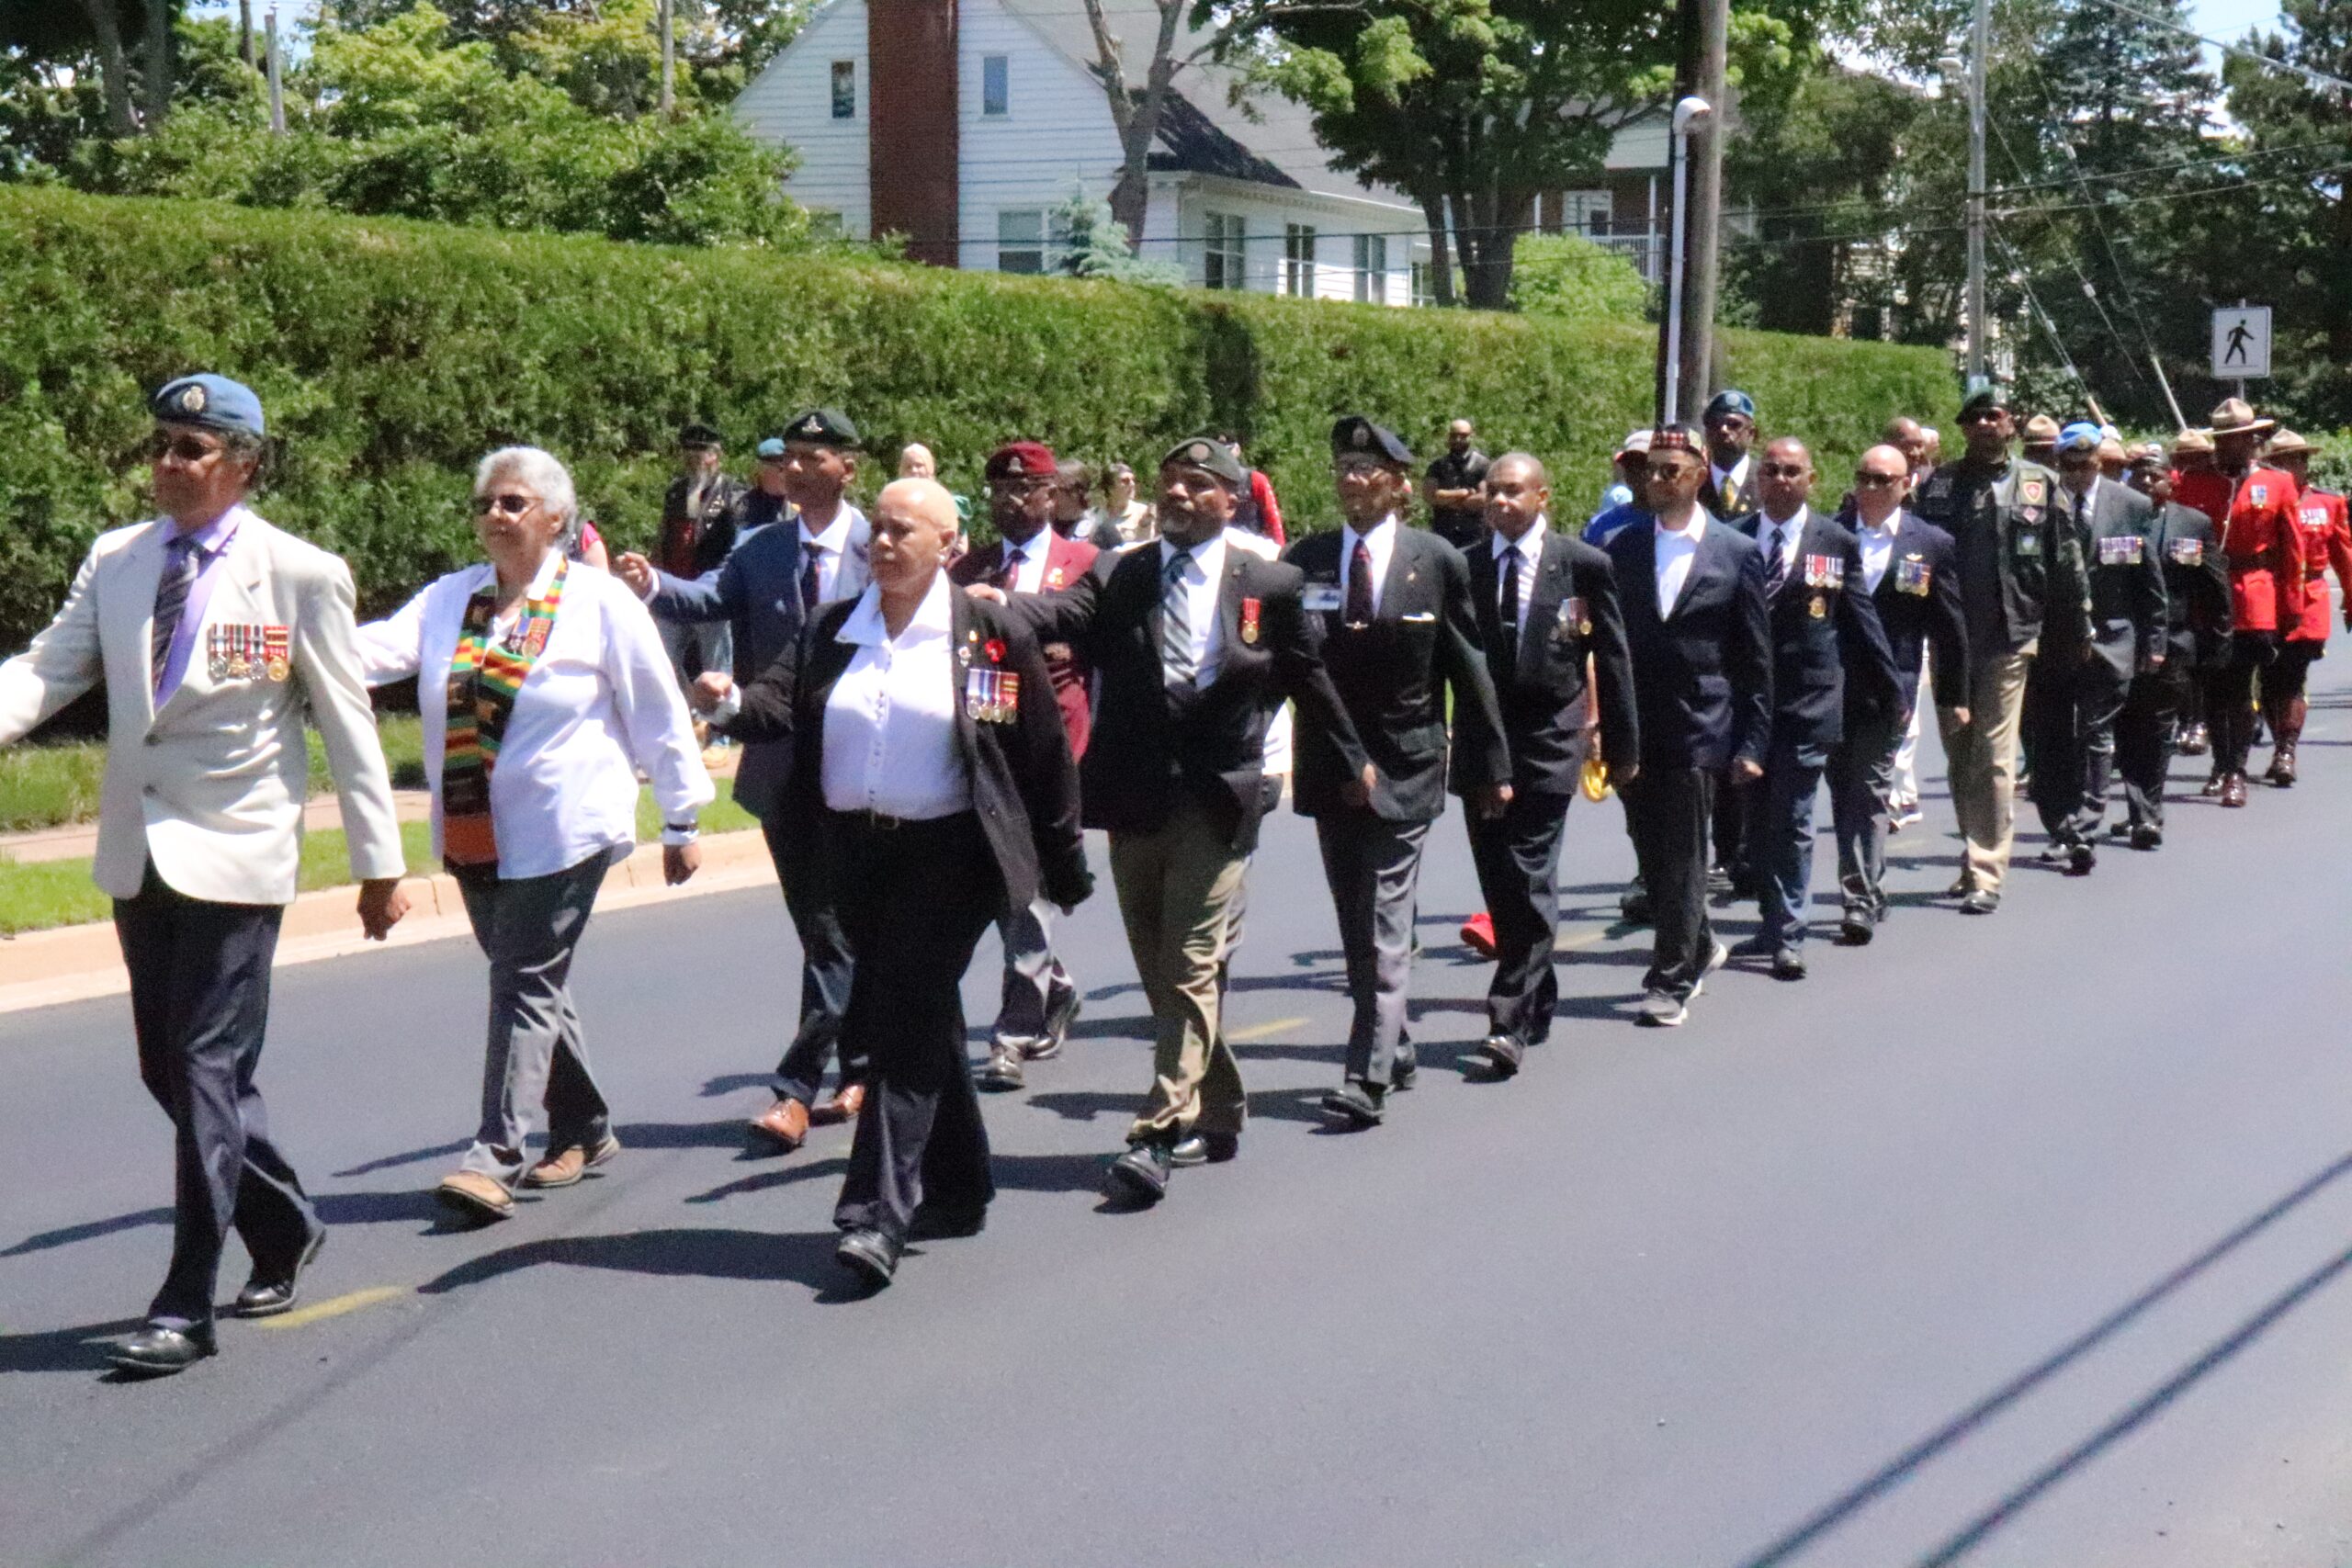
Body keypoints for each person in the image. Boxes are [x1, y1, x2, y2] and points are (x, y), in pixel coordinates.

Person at [0, 375, 409, 1374]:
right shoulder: (120, 559)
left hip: (238, 852)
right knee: (167, 1069)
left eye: (192, 448)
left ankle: (186, 1304)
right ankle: (282, 1225)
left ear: (245, 463)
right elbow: (50, 668)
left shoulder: (300, 573)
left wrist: (378, 862)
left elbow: (349, 725)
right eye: (163, 446)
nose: (170, 466)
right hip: (141, 852)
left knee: (205, 1067)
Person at [692, 478, 1090, 1288]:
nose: (880, 542)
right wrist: (730, 701)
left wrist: (1061, 860)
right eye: (875, 528)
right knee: (915, 1013)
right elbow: (779, 703)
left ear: (947, 546)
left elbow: (1036, 751)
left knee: (900, 1024)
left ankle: (876, 1213)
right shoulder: (835, 627)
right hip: (851, 854)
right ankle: (961, 1180)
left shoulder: (985, 634)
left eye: (901, 530)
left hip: (949, 855)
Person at [993, 436, 1368, 1200]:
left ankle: (1159, 1128)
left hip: (1221, 796)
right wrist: (1001, 605)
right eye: (1170, 483)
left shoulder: (1271, 579)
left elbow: (1308, 677)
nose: (1179, 496)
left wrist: (1352, 758)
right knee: (1161, 969)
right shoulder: (1125, 572)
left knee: (1192, 963)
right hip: (1136, 796)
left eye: (1198, 485)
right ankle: (1222, 1105)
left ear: (1230, 499)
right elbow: (1065, 611)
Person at [357, 447, 709, 1224]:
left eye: (513, 503)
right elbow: (371, 650)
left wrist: (680, 816)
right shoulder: (453, 599)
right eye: (486, 502)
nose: (495, 516)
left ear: (554, 517)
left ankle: (497, 1153)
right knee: (533, 982)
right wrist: (276, 647)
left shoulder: (598, 602)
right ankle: (585, 1122)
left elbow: (656, 706)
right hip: (476, 828)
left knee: (521, 979)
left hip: (566, 829)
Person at [616, 409, 872, 1151]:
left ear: (847, 468)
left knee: (836, 931)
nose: (795, 470)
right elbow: (710, 599)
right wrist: (649, 584)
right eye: (788, 457)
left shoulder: (876, 543)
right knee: (820, 929)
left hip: (863, 763)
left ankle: (796, 1089)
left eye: (813, 457)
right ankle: (859, 1061)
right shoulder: (762, 549)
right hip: (782, 762)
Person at [1284, 415, 1509, 1124]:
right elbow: (1290, 666)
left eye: (1367, 470)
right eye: (1343, 469)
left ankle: (1368, 1073)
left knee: (1384, 917)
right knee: (1355, 921)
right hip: (1329, 764)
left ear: (1399, 486)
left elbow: (1469, 668)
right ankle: (1397, 1041)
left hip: (1407, 764)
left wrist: (1491, 762)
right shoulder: (1308, 559)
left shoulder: (1435, 559)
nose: (1352, 481)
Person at [1462, 454, 1636, 1073]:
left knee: (1530, 870)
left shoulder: (1582, 565)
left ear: (1543, 495)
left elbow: (1612, 658)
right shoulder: (1468, 566)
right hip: (1484, 741)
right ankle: (1541, 991)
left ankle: (1506, 1018)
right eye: (1493, 492)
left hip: (1551, 736)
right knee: (1499, 878)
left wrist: (1620, 745)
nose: (1501, 502)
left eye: (1514, 491)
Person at [1603, 423, 1771, 1024]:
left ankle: (1670, 977)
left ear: (1699, 476)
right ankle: (1697, 942)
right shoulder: (1621, 549)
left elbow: (1754, 658)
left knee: (1682, 856)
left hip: (1702, 725)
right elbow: (1606, 644)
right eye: (1649, 469)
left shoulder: (1736, 552)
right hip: (1636, 724)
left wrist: (1753, 740)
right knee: (1651, 854)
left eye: (1670, 469)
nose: (1656, 479)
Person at [949, 442, 1099, 1089]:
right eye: (1002, 491)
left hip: (1055, 748)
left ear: (1051, 496)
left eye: (1028, 490)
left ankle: (1011, 1034)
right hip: (984, 751)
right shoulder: (968, 567)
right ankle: (1053, 985)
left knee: (1032, 890)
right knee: (998, 889)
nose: (1014, 501)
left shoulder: (1084, 565)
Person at [1726, 438, 1899, 977]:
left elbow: (1861, 622)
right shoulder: (1732, 540)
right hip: (1748, 705)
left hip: (1810, 701)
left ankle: (1790, 933)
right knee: (1755, 821)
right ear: (1758, 479)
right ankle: (1772, 917)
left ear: (1811, 480)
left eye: (1791, 471)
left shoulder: (1835, 541)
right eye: (1771, 470)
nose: (1780, 479)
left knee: (1795, 818)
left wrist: (1891, 690)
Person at [1912, 386, 2086, 914]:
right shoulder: (1939, 485)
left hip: (2011, 634)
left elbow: (2067, 561)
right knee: (1960, 752)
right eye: (1976, 418)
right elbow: (1917, 557)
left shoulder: (2039, 483)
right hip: (1950, 638)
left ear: (2010, 425)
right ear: (1963, 427)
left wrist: (2077, 628)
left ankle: (1987, 871)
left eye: (1995, 416)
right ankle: (1972, 858)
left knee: (1993, 755)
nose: (1987, 424)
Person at [1826, 444, 1966, 942]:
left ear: (1906, 485)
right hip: (1827, 685)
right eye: (1864, 477)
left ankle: (1859, 897)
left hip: (1889, 692)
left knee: (1867, 793)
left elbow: (1948, 626)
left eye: (1884, 480)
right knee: (1832, 793)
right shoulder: (1828, 534)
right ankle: (1849, 888)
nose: (1871, 488)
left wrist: (1954, 694)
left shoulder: (1930, 543)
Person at [2021, 423, 2164, 874]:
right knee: (2053, 736)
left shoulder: (2132, 506)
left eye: (2086, 464)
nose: (2078, 473)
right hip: (2056, 640)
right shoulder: (2037, 506)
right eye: (2069, 465)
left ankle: (2084, 826)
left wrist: (2154, 638)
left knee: (2097, 733)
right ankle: (2062, 822)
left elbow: (2149, 580)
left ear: (2100, 463)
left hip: (2113, 636)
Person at [2170, 398, 2304, 807]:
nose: (2232, 447)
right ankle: (2219, 765)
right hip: (2206, 596)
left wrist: (2291, 608)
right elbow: (2180, 542)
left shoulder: (2277, 483)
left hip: (2253, 596)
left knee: (2241, 687)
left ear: (2253, 440)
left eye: (2241, 439)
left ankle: (2236, 770)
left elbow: (2292, 550)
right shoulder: (2192, 482)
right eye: (2225, 440)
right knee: (2212, 687)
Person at [2115, 447, 2229, 847]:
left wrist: (2220, 637)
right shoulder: (2115, 522)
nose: (2146, 483)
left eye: (2154, 476)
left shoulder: (2193, 524)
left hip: (2176, 642)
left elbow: (2215, 586)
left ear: (2171, 481)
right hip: (2123, 642)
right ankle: (2139, 809)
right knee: (2127, 729)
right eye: (2138, 476)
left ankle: (2148, 811)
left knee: (2159, 728)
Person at [2259, 429, 2351, 785]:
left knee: (2294, 675)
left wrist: (2350, 597)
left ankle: (2286, 750)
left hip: (2310, 595)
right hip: (2269, 594)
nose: (2289, 467)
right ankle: (2279, 739)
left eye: (2295, 460)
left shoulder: (2328, 503)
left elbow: (2344, 556)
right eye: (2280, 461)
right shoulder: (2262, 500)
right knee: (2268, 678)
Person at [653, 422, 746, 692]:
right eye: (689, 453)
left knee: (716, 668)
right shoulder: (676, 491)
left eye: (701, 453)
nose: (694, 459)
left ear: (714, 456)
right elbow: (664, 534)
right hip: (673, 588)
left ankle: (719, 725)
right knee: (661, 662)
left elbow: (737, 542)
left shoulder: (732, 492)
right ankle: (685, 709)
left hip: (709, 592)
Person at [2167, 428, 2220, 760]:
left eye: (2197, 457)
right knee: (2184, 661)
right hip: (2182, 576)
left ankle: (2204, 721)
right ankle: (2192, 720)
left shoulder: (2221, 483)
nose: (2191, 463)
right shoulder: (2174, 485)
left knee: (2210, 661)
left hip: (2213, 575)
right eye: (2185, 458)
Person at [1423, 417, 1492, 550]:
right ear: (1448, 437)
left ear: (1472, 436)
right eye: (1454, 436)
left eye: (1463, 436)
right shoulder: (1437, 466)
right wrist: (1463, 493)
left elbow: (1484, 498)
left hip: (1474, 535)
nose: (1458, 440)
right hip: (1442, 533)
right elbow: (1429, 495)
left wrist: (1446, 499)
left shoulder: (1482, 465)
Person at [1698, 390, 1758, 519]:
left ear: (1751, 434)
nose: (1723, 430)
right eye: (1715, 424)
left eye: (1734, 425)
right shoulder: (1694, 481)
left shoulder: (1766, 480)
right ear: (1706, 432)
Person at [1586, 431, 1651, 544]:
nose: (1636, 472)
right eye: (1629, 466)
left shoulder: (1673, 523)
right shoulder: (1601, 524)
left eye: (1643, 465)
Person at [1225, 435, 1287, 547]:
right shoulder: (1205, 480)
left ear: (1237, 450)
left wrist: (1280, 554)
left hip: (1250, 549)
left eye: (1228, 450)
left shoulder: (1255, 479)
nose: (1225, 456)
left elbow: (1273, 521)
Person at [1084, 460, 1157, 548]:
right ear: (1110, 488)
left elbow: (1148, 547)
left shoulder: (1143, 513)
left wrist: (1145, 525)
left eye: (1133, 480)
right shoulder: (1093, 515)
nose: (1132, 484)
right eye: (1125, 481)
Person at [739, 436, 794, 533]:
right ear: (761, 469)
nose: (785, 475)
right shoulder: (744, 506)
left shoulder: (800, 505)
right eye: (780, 469)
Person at [1050, 459, 1092, 539]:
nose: (1049, 497)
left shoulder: (1093, 532)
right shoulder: (1042, 528)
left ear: (1074, 493)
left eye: (1054, 490)